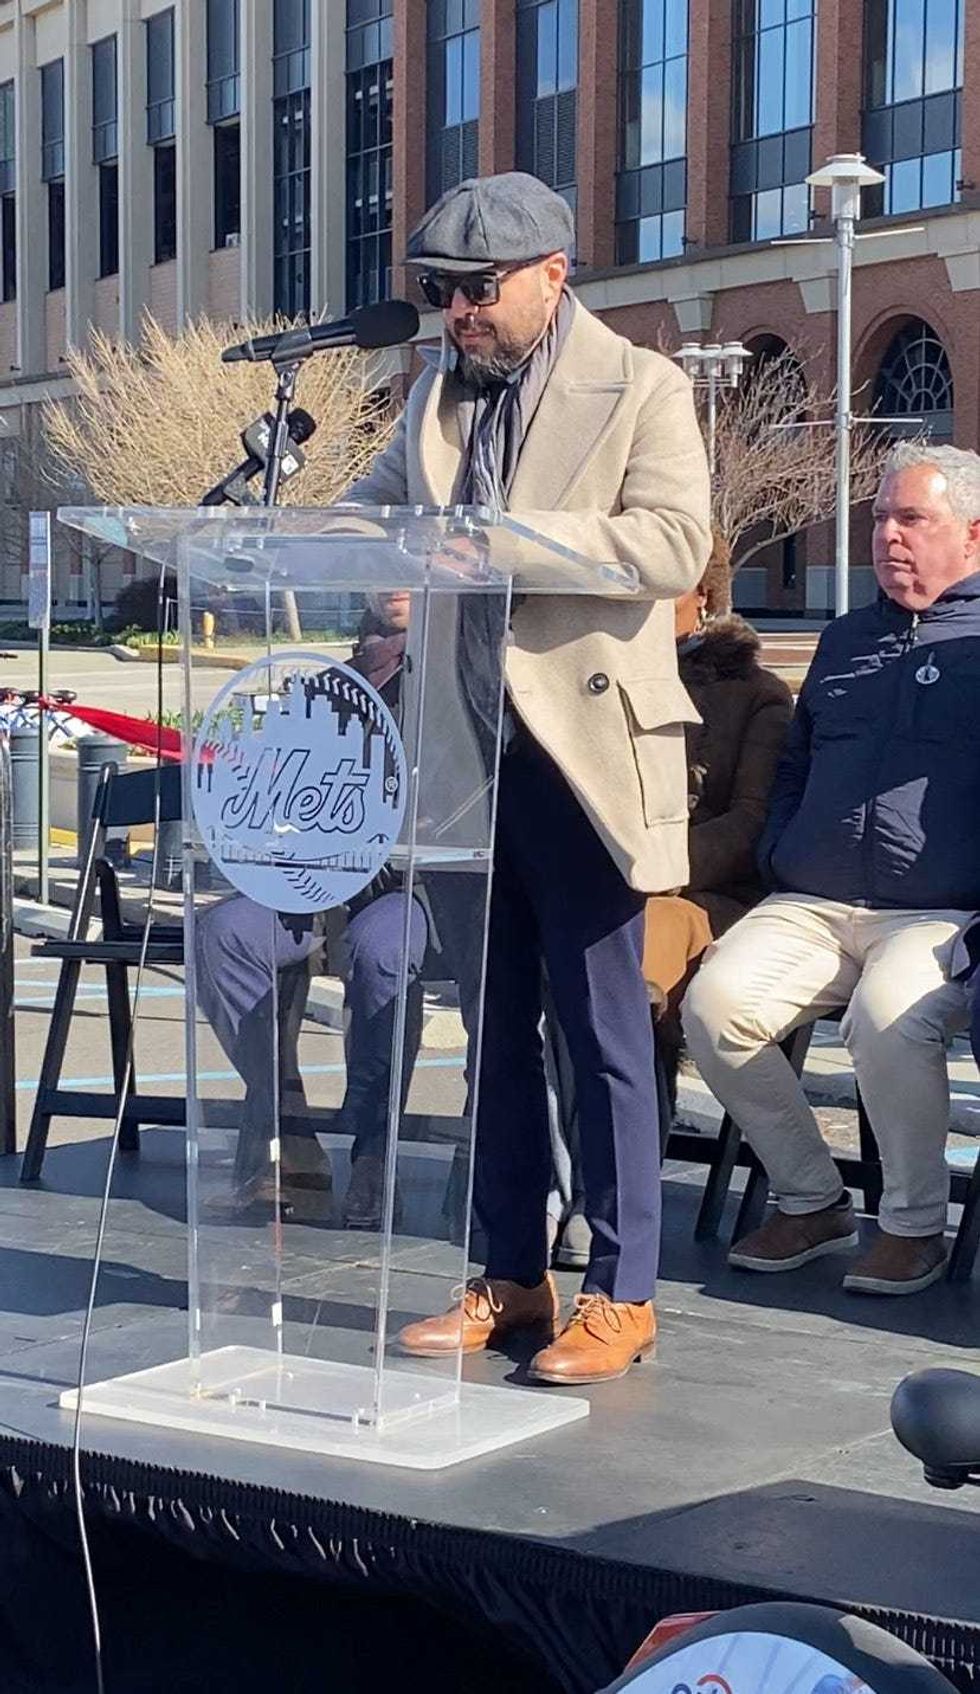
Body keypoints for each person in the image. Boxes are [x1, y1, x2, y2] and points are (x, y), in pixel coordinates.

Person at [345, 170, 711, 1382]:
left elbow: (672, 544)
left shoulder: (641, 386)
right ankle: (508, 1271)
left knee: (603, 1035)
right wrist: (321, 547)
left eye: (476, 288)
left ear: (555, 274)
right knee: (491, 1031)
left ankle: (623, 1289)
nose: (456, 311)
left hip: (584, 758)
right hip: (463, 756)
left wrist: (502, 544)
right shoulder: (431, 401)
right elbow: (364, 517)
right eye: (441, 291)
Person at [683, 442, 980, 1296]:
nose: (888, 535)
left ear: (969, 533)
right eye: (881, 518)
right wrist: (782, 850)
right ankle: (812, 1198)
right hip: (814, 897)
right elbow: (798, 762)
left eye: (911, 519)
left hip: (938, 910)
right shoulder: (847, 637)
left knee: (888, 1019)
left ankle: (915, 1227)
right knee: (717, 1006)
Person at [194, 590, 429, 1226]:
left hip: (409, 888)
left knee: (381, 953)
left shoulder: (455, 676)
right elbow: (274, 785)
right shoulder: (326, 688)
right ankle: (288, 1129)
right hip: (307, 882)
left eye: (408, 570)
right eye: (380, 573)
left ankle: (376, 1152)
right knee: (224, 931)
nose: (395, 586)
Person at [643, 544, 793, 1116]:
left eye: (668, 584)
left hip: (709, 895)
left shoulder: (755, 695)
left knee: (645, 935)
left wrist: (655, 866)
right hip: (610, 879)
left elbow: (753, 823)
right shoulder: (601, 679)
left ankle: (620, 1170)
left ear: (703, 595)